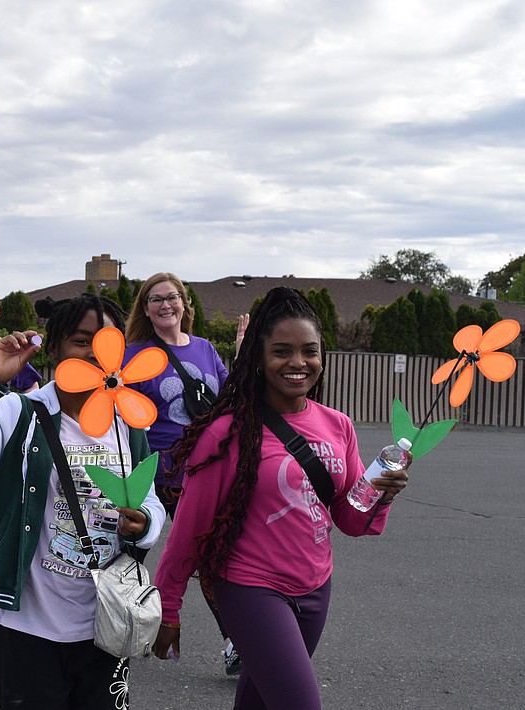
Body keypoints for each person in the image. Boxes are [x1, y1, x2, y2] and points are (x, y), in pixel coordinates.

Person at [151, 287, 410, 710]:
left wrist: (382, 493)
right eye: (282, 351)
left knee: (258, 699)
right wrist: (168, 607)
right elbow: (189, 529)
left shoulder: (338, 425)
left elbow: (349, 518)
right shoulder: (226, 433)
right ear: (257, 357)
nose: (298, 363)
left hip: (315, 587)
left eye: (309, 351)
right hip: (250, 588)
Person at [0, 293, 165, 709]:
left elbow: (149, 497)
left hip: (106, 621)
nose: (96, 353)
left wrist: (145, 522)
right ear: (53, 347)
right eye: (81, 340)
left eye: (108, 342)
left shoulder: (126, 421)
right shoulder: (18, 411)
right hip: (28, 624)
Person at [123, 271, 247, 673]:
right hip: (155, 469)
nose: (165, 305)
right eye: (156, 299)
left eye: (172, 297)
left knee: (206, 554)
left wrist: (244, 358)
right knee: (129, 550)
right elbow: (123, 412)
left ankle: (234, 642)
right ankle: (104, 625)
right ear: (146, 308)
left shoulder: (206, 349)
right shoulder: (135, 354)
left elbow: (230, 398)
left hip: (204, 468)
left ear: (184, 304)